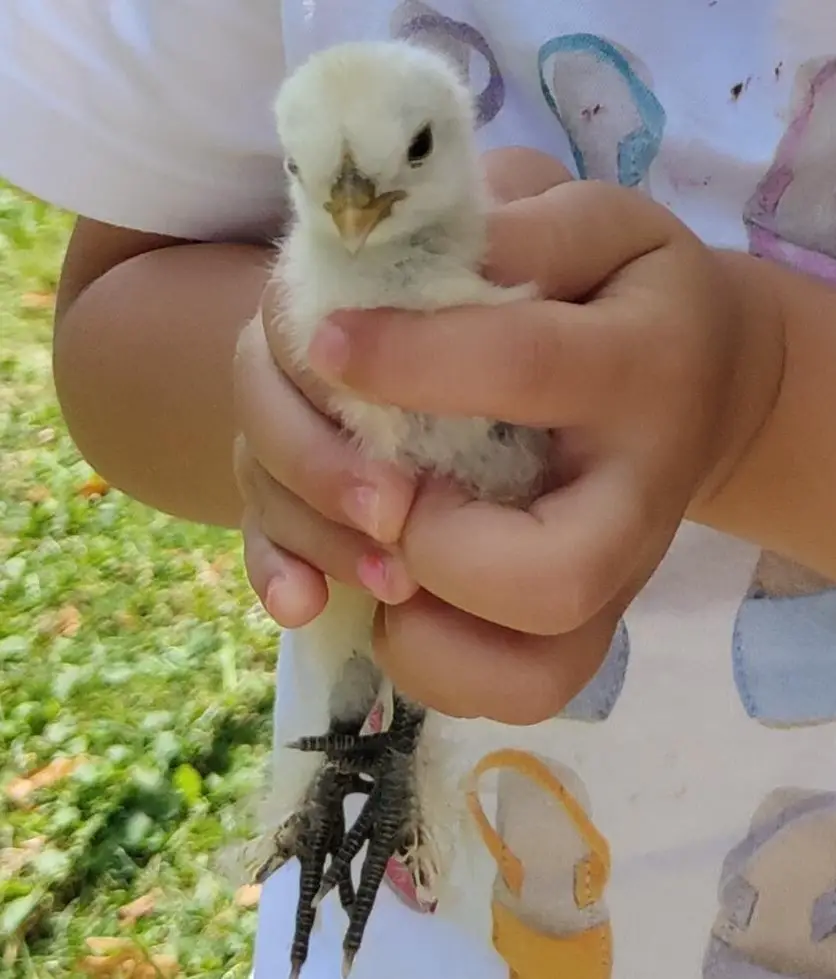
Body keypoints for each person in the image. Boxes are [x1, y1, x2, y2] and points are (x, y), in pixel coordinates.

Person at [3, 2, 836, 978]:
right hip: (405, 918)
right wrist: (293, 399)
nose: (356, 214)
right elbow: (121, 310)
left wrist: (758, 398)